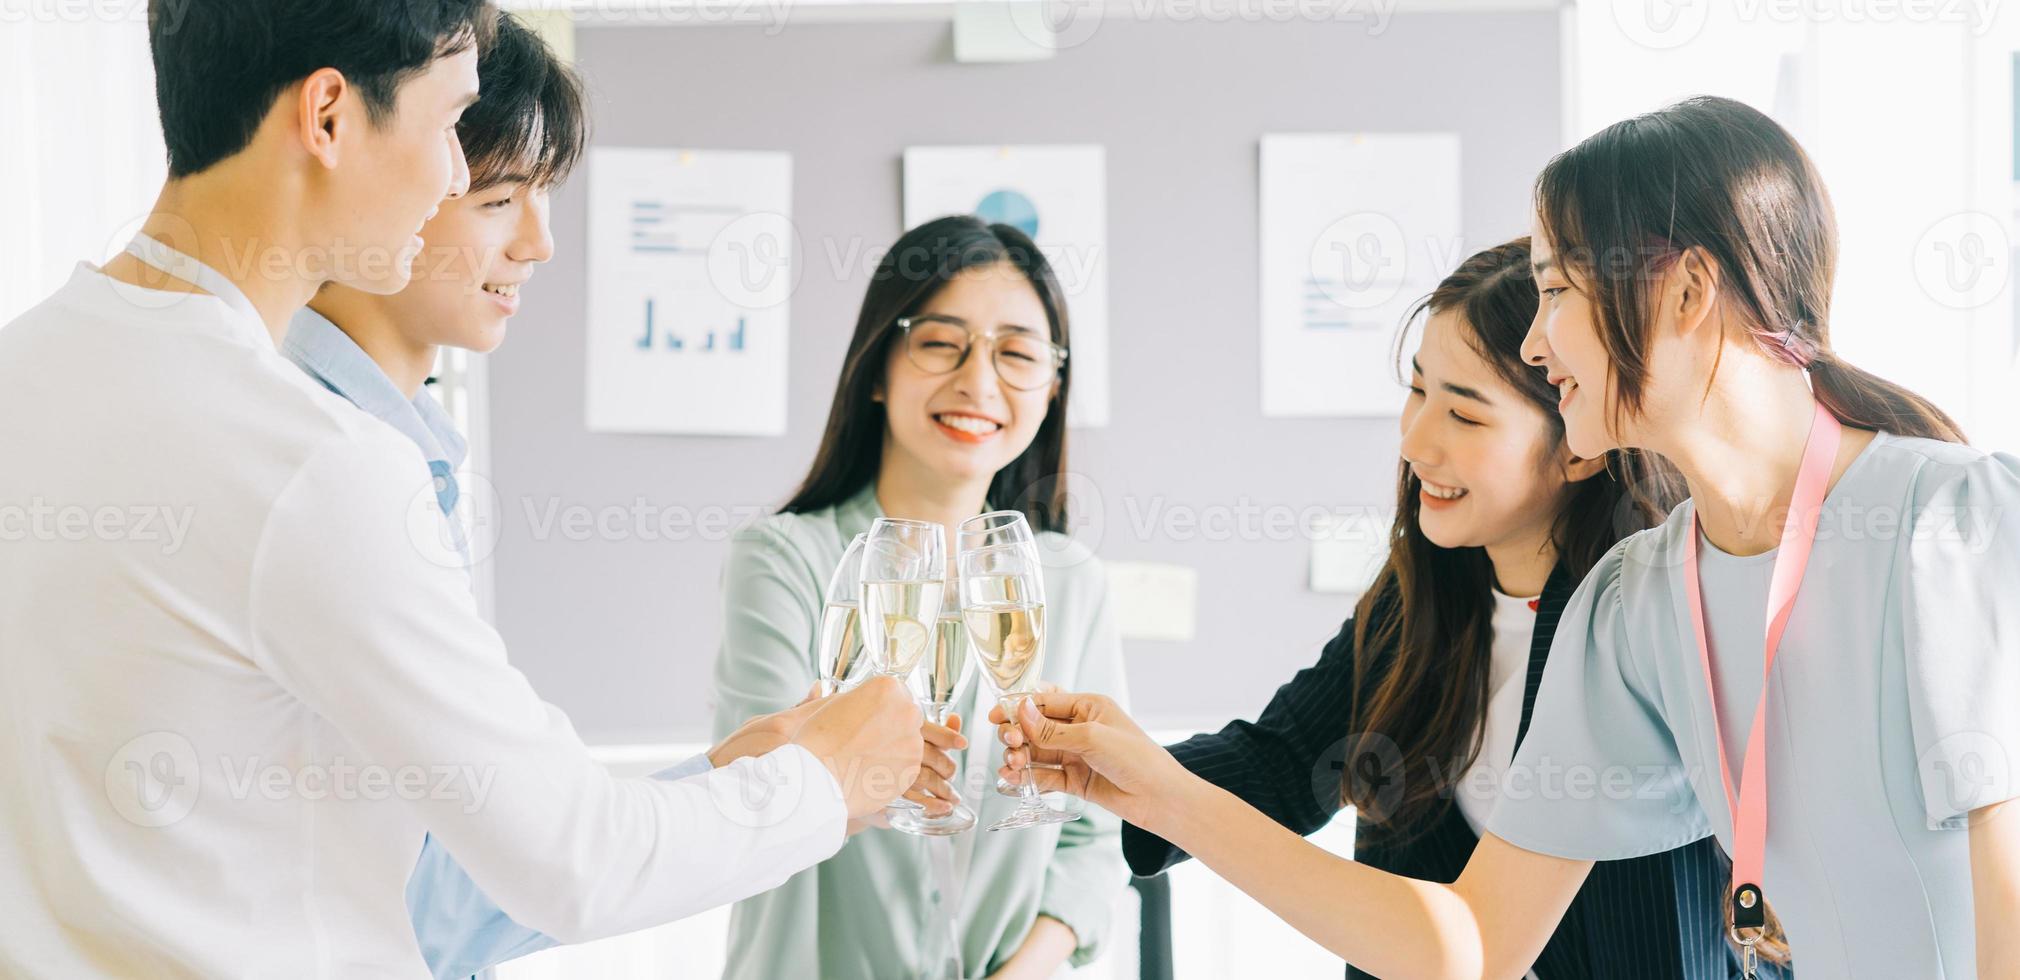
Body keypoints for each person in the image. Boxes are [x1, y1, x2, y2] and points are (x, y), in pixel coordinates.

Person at [995, 97, 2020, 979]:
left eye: (1561, 290)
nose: (1538, 336)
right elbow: (1475, 937)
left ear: (1686, 291)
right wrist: (1151, 786)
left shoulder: (1954, 523)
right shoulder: (1636, 605)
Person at [0, 3, 921, 976]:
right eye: (449, 125)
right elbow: (574, 860)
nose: (452, 171)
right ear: (328, 117)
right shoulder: (311, 462)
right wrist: (826, 780)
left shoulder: (26, 369)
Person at [1119, 237, 1790, 978]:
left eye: (1465, 417)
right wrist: (1103, 770)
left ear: (1579, 442)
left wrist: (1161, 795)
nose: (1415, 442)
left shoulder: (1643, 620)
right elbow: (1282, 761)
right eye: (1417, 391)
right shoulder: (1419, 605)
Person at [710, 215, 1130, 980]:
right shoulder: (785, 560)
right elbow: (759, 802)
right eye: (941, 342)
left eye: (1018, 353)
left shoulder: (1068, 581)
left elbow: (1091, 844)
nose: (978, 381)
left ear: (1052, 387)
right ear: (878, 367)